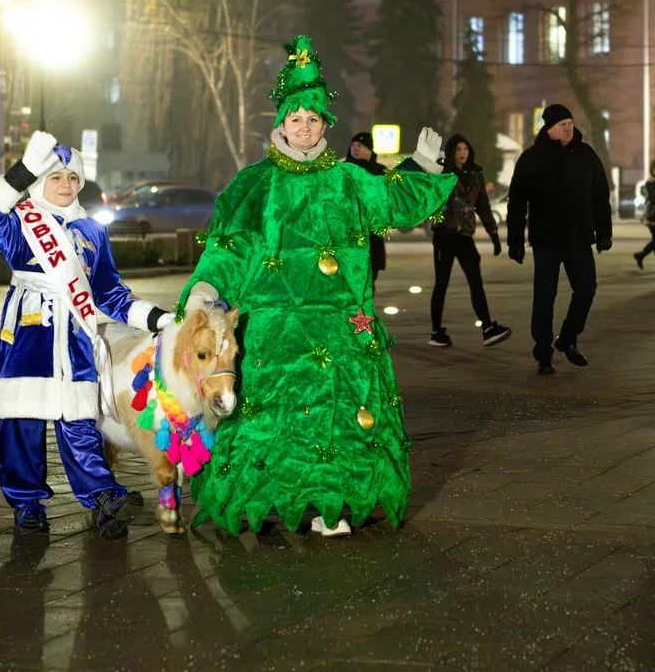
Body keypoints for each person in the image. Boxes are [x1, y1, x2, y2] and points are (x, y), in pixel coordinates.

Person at [180, 35, 455, 537]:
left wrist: (422, 166)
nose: (305, 128)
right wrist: (206, 286)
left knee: (335, 420)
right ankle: (264, 501)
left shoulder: (349, 180)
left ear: (324, 125)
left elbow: (392, 202)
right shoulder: (253, 184)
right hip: (273, 333)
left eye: (313, 119)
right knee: (273, 419)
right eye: (296, 119)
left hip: (339, 329)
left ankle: (334, 507)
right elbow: (229, 248)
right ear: (280, 123)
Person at [0, 131, 173, 538]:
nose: (66, 185)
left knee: (80, 419)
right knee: (21, 420)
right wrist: (22, 169)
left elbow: (110, 294)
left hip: (76, 335)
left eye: (72, 177)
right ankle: (26, 504)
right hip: (29, 330)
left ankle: (102, 496)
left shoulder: (92, 230)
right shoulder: (20, 222)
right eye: (55, 177)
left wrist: (158, 319)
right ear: (38, 182)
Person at [506, 104, 613, 375]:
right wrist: (514, 240)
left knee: (587, 288)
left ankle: (567, 338)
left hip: (578, 238)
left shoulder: (586, 155)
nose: (568, 127)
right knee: (545, 296)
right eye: (562, 124)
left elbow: (601, 195)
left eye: (570, 122)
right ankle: (543, 352)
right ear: (549, 128)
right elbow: (517, 202)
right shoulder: (533, 158)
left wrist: (604, 231)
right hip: (546, 239)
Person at [428, 134, 512, 349]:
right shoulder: (442, 173)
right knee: (442, 283)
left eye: (465, 148)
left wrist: (493, 234)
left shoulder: (475, 174)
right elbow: (429, 199)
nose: (462, 152)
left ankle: (487, 328)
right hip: (444, 236)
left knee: (476, 282)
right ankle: (436, 332)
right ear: (450, 152)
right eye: (457, 149)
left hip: (465, 236)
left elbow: (483, 205)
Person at [344, 132, 387, 287]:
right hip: (349, 233)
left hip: (372, 234)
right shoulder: (343, 171)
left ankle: (365, 311)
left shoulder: (380, 172)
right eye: (353, 145)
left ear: (369, 148)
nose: (355, 148)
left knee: (369, 281)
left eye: (360, 145)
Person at [633, 160, 655, 271]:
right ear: (652, 170)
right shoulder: (651, 182)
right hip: (653, 215)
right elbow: (654, 198)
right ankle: (641, 255)